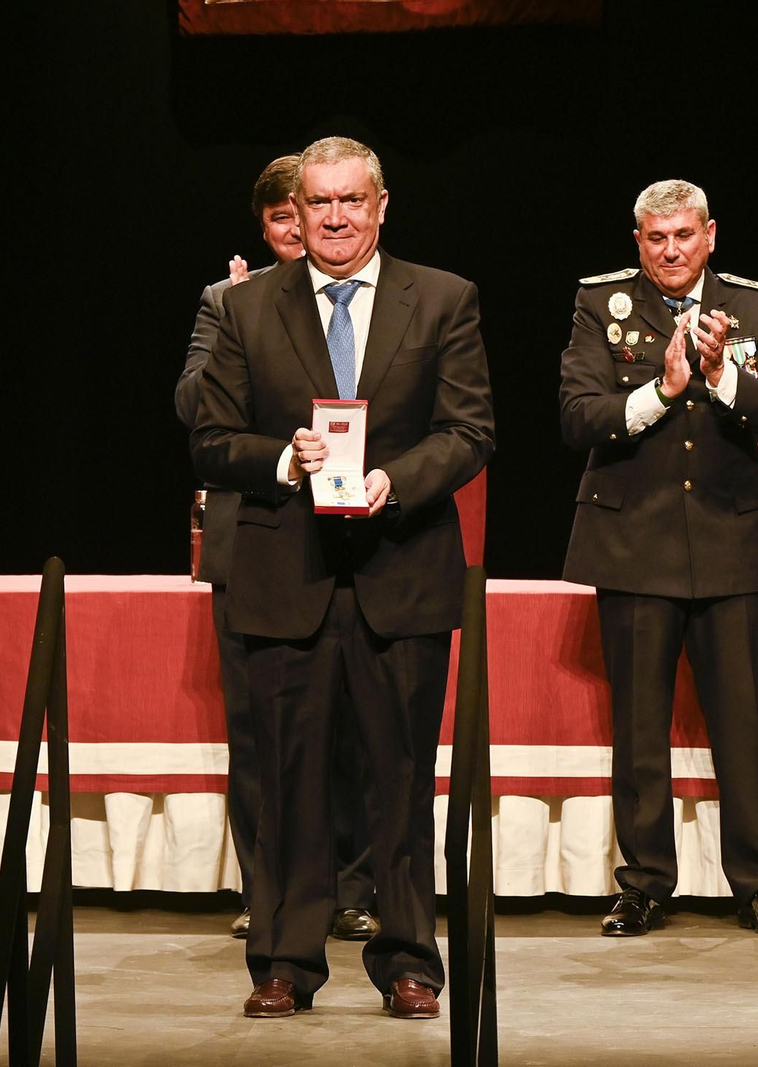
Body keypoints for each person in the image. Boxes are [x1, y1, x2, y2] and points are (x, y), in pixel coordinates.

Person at [192, 136, 494, 1019]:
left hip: (403, 573)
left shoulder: (443, 298)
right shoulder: (247, 306)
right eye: (318, 202)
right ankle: (283, 961)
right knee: (287, 784)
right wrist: (285, 459)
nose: (333, 217)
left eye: (350, 200)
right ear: (296, 209)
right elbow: (211, 439)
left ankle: (409, 960)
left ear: (381, 206)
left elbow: (469, 430)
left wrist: (396, 478)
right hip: (285, 576)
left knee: (400, 778)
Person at [559, 179, 758, 937]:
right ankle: (643, 885)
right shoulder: (601, 302)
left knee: (743, 727)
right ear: (637, 241)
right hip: (634, 542)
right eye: (656, 238)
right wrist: (661, 392)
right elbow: (577, 417)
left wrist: (724, 373)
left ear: (710, 235)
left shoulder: (752, 305)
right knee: (639, 729)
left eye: (684, 235)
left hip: (729, 541)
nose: (670, 250)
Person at [175, 155, 379, 944]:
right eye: (284, 219)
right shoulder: (232, 302)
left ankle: (351, 889)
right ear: (266, 228)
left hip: (357, 534)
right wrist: (242, 326)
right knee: (260, 730)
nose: (304, 228)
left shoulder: (374, 298)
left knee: (354, 725)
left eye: (317, 210)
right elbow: (193, 411)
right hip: (258, 536)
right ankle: (265, 889)